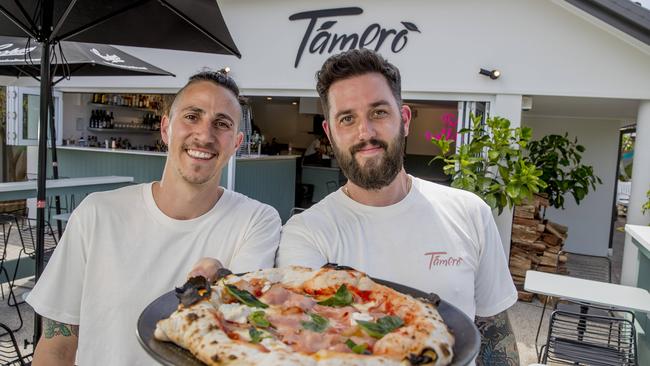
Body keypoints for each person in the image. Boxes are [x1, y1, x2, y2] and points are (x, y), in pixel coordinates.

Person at [276, 49, 519, 365]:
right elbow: (309, 341)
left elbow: (495, 331)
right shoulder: (306, 234)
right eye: (347, 118)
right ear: (330, 132)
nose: (366, 133)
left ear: (404, 120)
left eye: (378, 112)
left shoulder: (470, 212)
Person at [27, 71, 282, 365]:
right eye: (191, 116)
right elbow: (57, 345)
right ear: (165, 129)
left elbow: (242, 334)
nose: (204, 135)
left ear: (236, 143)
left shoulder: (256, 220)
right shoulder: (97, 214)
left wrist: (222, 282)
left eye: (221, 124)